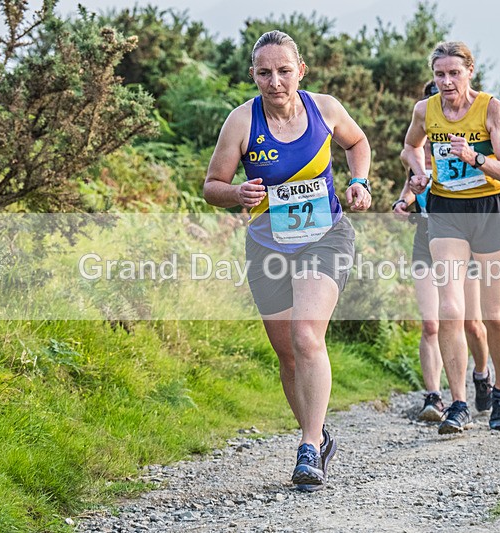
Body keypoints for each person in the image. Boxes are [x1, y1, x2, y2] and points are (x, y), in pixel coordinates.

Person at [203, 30, 371, 491]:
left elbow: (358, 144)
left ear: (301, 70)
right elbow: (211, 185)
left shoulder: (326, 108)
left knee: (305, 334)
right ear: (253, 75)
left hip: (326, 235)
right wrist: (237, 191)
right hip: (268, 244)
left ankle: (308, 446)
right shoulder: (240, 122)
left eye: (283, 70)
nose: (275, 81)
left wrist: (360, 182)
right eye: (264, 72)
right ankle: (318, 435)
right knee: (287, 354)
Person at [402, 41, 500, 433]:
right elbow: (410, 145)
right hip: (447, 211)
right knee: (451, 310)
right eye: (440, 74)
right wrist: (418, 172)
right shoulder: (426, 110)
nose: (447, 81)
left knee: (494, 313)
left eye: (454, 73)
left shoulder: (491, 108)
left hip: (490, 209)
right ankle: (458, 403)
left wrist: (477, 159)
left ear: (470, 71)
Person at [393, 81, 493, 422]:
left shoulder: (468, 140)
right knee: (432, 323)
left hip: (464, 236)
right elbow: (409, 187)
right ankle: (435, 397)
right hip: (427, 238)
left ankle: (482, 373)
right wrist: (402, 204)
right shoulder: (421, 148)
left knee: (472, 323)